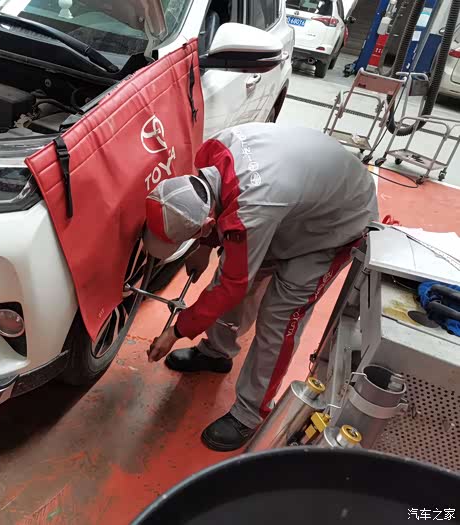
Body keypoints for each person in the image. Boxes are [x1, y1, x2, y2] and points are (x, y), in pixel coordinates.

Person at [142, 123, 379, 451]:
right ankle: (216, 352)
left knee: (279, 316)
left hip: (335, 220)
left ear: (206, 224)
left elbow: (232, 286)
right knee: (237, 273)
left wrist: (177, 330)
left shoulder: (251, 210)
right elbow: (226, 236)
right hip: (293, 200)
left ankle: (250, 413)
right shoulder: (212, 153)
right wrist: (204, 246)